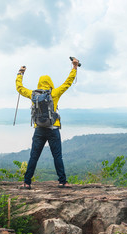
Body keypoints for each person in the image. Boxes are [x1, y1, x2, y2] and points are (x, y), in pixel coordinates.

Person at [15, 58, 79, 189]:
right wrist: (74, 67)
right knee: (57, 156)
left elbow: (19, 88)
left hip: (39, 129)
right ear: (50, 83)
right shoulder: (54, 93)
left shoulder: (33, 94)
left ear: (39, 83)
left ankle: (27, 182)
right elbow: (68, 82)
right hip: (53, 129)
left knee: (34, 156)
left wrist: (20, 74)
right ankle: (62, 181)